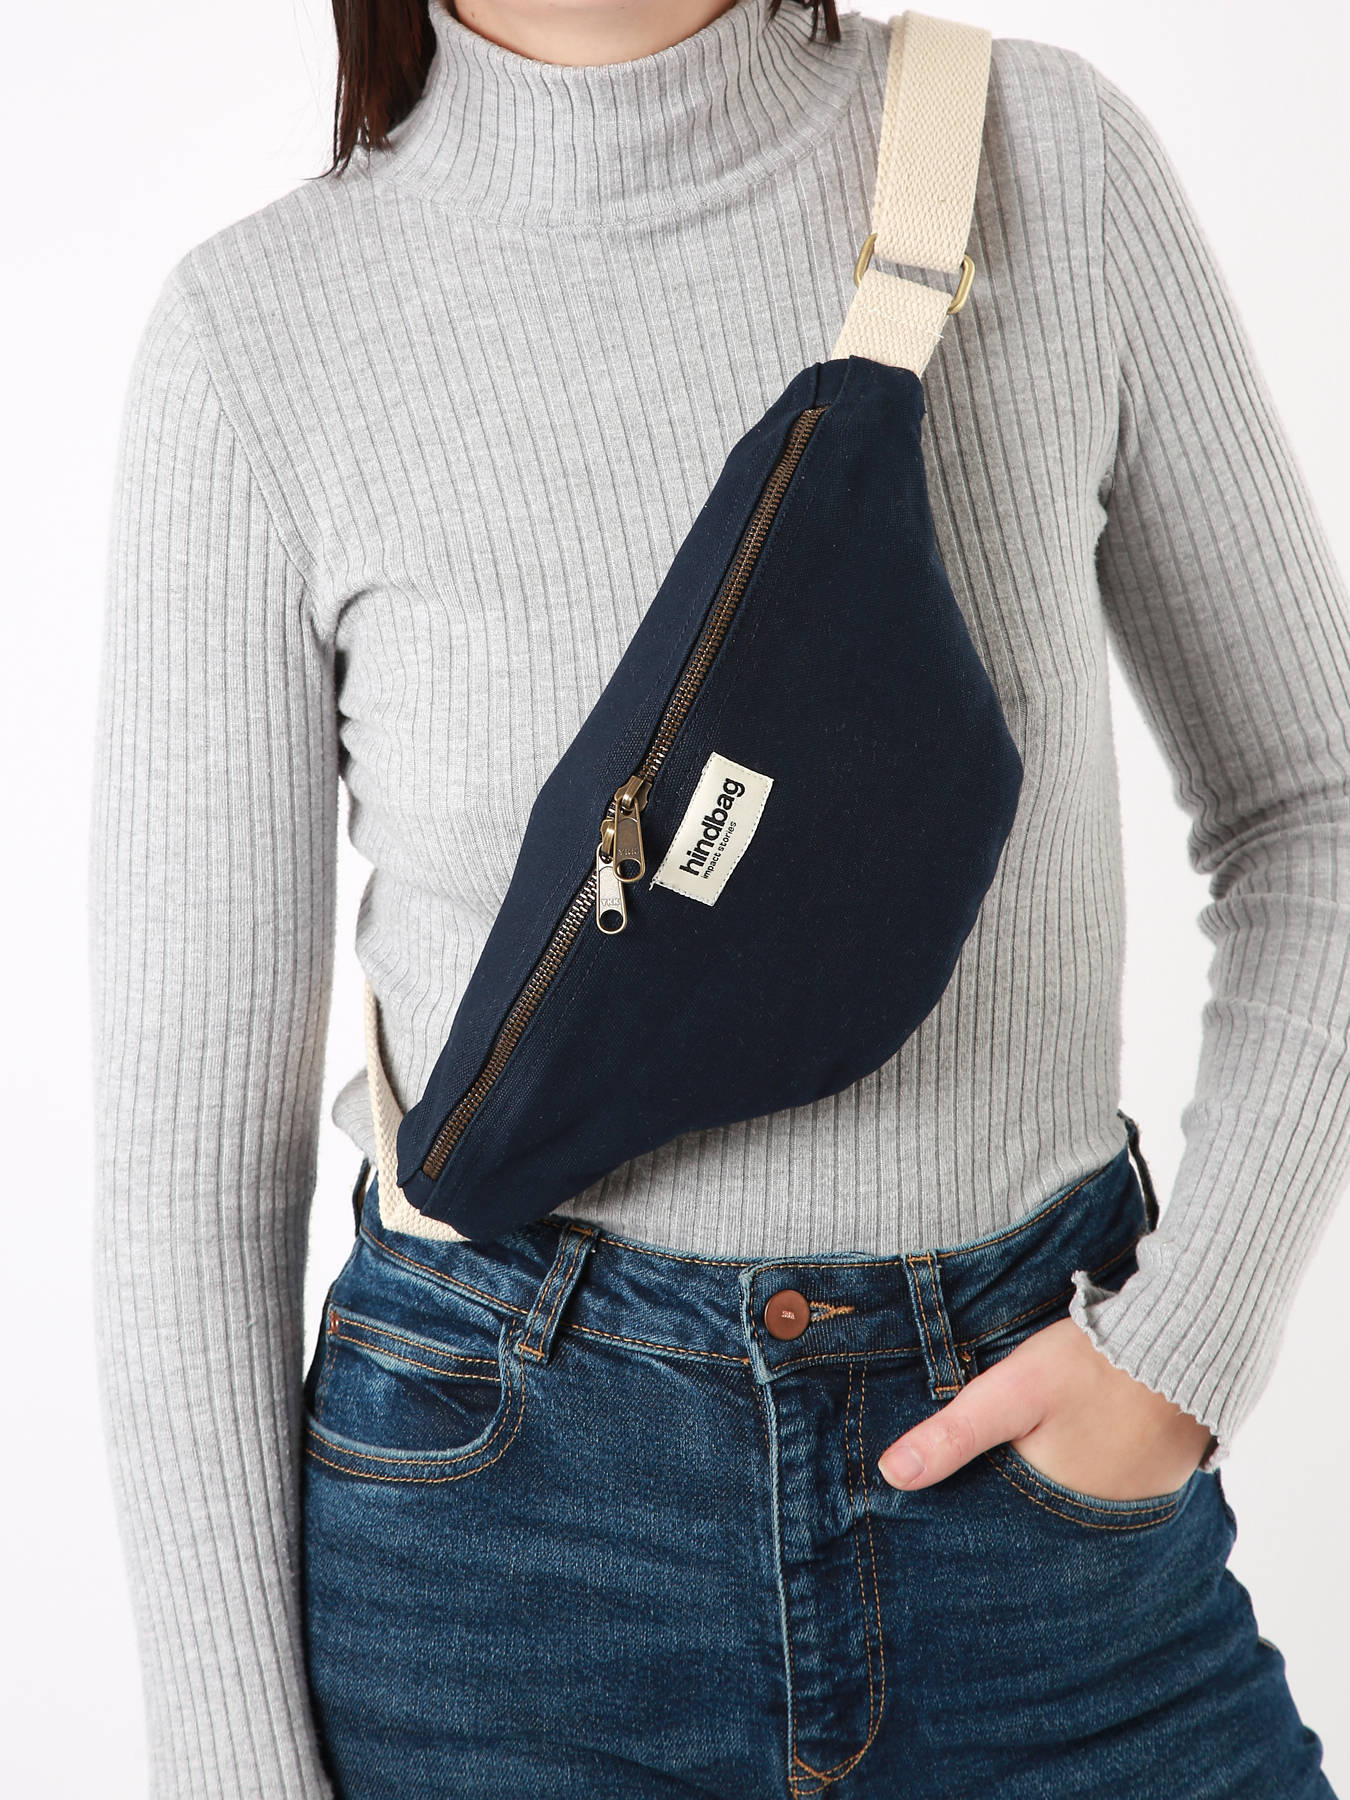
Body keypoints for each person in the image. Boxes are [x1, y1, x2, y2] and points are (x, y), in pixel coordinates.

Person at [89, 0, 1348, 1794]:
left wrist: (1181, 1351)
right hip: (496, 1556)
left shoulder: (1041, 157)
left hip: (1046, 1542)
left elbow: (1314, 811)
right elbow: (190, 1170)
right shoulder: (258, 334)